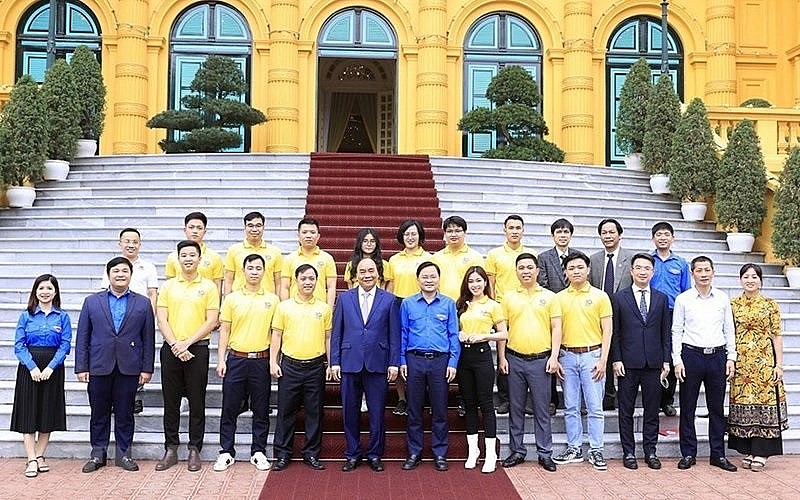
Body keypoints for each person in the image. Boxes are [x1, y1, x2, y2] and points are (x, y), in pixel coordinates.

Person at [75, 258, 156, 473]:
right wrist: (81, 367)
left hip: (129, 367)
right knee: (98, 412)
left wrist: (147, 368)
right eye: (116, 271)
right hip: (99, 365)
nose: (120, 274)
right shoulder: (92, 302)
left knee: (125, 412)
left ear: (131, 274)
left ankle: (124, 454)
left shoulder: (143, 303)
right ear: (108, 274)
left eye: (124, 271)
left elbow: (148, 338)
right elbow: (82, 336)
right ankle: (98, 454)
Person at [155, 240, 220, 472]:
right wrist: (175, 344)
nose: (188, 258)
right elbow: (161, 318)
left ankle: (194, 448)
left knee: (196, 400)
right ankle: (171, 447)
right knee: (170, 401)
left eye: (193, 255)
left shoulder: (210, 287)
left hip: (198, 349)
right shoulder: (169, 286)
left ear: (199, 258)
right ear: (178, 259)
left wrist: (187, 343)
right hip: (171, 349)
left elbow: (212, 320)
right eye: (184, 255)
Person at [331, 257, 401, 473]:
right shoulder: (344, 299)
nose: (367, 275)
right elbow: (337, 332)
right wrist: (334, 361)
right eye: (362, 271)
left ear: (378, 274)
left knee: (377, 412)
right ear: (355, 275)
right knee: (349, 411)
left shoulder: (389, 300)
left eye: (371, 271)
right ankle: (352, 453)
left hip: (378, 363)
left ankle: (374, 454)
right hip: (350, 362)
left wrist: (394, 363)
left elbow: (394, 334)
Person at [213, 254, 279, 472]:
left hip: (260, 360)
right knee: (229, 408)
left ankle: (258, 451)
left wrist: (273, 361)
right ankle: (226, 451)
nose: (254, 271)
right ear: (243, 270)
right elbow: (224, 331)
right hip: (236, 360)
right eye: (250, 268)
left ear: (264, 271)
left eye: (258, 268)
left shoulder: (272, 299)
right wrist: (221, 359)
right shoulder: (232, 299)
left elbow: (276, 333)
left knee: (261, 409)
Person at [672, 256, 737, 472]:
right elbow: (676, 330)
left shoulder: (722, 298)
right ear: (692, 274)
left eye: (707, 269)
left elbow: (729, 330)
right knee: (687, 407)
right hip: (691, 356)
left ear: (713, 272)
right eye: (699, 270)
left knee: (716, 408)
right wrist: (677, 359)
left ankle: (717, 454)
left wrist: (731, 357)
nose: (703, 273)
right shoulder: (683, 299)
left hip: (717, 356)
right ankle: (688, 453)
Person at [498, 254, 561, 473]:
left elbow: (556, 328)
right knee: (515, 408)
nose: (525, 271)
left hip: (541, 361)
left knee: (541, 409)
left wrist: (554, 356)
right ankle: (517, 451)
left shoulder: (550, 297)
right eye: (521, 268)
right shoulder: (508, 297)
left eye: (529, 267)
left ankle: (545, 453)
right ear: (516, 271)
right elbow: (502, 331)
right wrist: (502, 357)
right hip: (514, 358)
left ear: (537, 271)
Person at [553, 251, 612, 471]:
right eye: (571, 268)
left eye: (580, 267)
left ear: (588, 270)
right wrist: (557, 357)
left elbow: (607, 330)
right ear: (565, 272)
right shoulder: (558, 298)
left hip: (592, 356)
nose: (576, 271)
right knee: (570, 406)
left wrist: (604, 359)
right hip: (567, 357)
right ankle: (574, 448)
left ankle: (596, 449)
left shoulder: (600, 296)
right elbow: (556, 330)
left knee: (595, 407)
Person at [270, 264, 333, 472]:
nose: (308, 282)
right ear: (296, 280)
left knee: (315, 412)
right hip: (290, 366)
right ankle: (282, 454)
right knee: (286, 412)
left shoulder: (323, 308)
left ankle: (311, 454)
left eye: (312, 278)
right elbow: (276, 336)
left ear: (317, 281)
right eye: (304, 278)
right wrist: (273, 361)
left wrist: (330, 364)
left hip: (315, 367)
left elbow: (328, 338)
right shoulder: (284, 307)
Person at [610, 253, 671, 470]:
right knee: (625, 410)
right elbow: (615, 333)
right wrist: (616, 359)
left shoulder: (662, 298)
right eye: (639, 268)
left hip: (654, 364)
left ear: (652, 272)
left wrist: (666, 360)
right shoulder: (619, 298)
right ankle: (628, 452)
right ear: (631, 271)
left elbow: (666, 332)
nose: (643, 272)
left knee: (652, 410)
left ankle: (650, 451)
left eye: (647, 268)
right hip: (627, 363)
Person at [400, 261, 460, 472]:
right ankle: (414, 452)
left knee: (440, 409)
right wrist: (402, 360)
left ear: (438, 279)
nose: (429, 280)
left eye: (433, 276)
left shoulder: (448, 304)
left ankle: (440, 453)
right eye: (424, 276)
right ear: (418, 280)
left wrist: (453, 362)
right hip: (414, 359)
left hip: (440, 361)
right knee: (414, 409)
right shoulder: (407, 304)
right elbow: (403, 334)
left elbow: (454, 335)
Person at [727, 263, 788, 471]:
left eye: (754, 276)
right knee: (745, 404)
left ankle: (762, 452)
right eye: (746, 276)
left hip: (764, 363)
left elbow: (776, 335)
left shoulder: (770, 304)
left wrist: (779, 364)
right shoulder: (733, 304)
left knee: (764, 406)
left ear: (760, 280)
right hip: (741, 363)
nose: (750, 280)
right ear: (740, 279)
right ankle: (750, 450)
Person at [11, 274, 71, 478]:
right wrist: (32, 367)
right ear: (35, 291)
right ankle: (31, 459)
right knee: (29, 414)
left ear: (56, 292)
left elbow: (65, 345)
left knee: (47, 413)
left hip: (53, 368)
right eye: (41, 288)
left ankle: (39, 455)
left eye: (49, 288)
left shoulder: (62, 316)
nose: (45, 292)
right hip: (29, 369)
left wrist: (51, 367)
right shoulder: (26, 316)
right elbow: (19, 345)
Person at [455, 266, 508, 473]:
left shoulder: (493, 305)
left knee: (486, 404)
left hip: (482, 355)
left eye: (479, 281)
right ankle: (473, 451)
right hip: (464, 357)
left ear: (486, 282)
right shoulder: (461, 305)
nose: (475, 285)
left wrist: (485, 336)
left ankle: (491, 454)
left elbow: (504, 334)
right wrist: (459, 334)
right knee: (469, 404)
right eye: (471, 281)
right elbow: (455, 329)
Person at [100, 227, 158, 415]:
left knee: (135, 359)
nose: (131, 245)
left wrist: (151, 317)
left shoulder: (148, 267)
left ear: (140, 244)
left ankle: (134, 399)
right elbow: (103, 294)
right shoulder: (112, 266)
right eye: (127, 241)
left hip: (138, 319)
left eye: (135, 242)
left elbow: (153, 294)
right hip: (115, 322)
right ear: (120, 243)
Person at [485, 215, 534, 417]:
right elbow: (491, 283)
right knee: (503, 353)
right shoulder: (494, 254)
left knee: (525, 352)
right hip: (502, 308)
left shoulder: (530, 253)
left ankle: (525, 398)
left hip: (526, 307)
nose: (514, 231)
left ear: (523, 230)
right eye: (510, 228)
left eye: (518, 228)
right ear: (504, 230)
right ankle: (505, 398)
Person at [386, 219, 431, 416]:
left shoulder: (429, 258)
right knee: (399, 350)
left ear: (420, 235)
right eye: (406, 234)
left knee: (418, 349)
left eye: (414, 233)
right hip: (397, 304)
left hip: (420, 305)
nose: (410, 237)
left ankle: (422, 396)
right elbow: (389, 288)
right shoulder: (394, 260)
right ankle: (402, 398)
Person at [589, 218, 634, 411]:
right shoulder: (594, 259)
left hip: (624, 313)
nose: (607, 236)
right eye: (604, 233)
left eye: (611, 232)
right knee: (603, 352)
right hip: (599, 314)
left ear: (619, 235)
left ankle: (623, 395)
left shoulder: (630, 258)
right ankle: (607, 395)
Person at [537, 218, 580, 415]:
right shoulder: (544, 257)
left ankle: (578, 401)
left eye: (566, 232)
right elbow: (543, 285)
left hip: (575, 313)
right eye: (559, 232)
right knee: (552, 355)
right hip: (551, 313)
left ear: (571, 235)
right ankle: (552, 399)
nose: (562, 235)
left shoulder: (579, 258)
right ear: (552, 235)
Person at [649, 221, 691, 417]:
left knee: (672, 353)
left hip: (674, 312)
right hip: (650, 312)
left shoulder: (681, 263)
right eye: (658, 234)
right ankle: (653, 398)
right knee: (654, 353)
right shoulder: (647, 261)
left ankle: (667, 400)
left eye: (666, 234)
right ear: (653, 238)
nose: (662, 238)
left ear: (673, 238)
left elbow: (686, 292)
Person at [280, 217, 337, 308]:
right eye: (304, 232)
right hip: (294, 309)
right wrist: (285, 309)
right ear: (298, 236)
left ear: (318, 236)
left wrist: (329, 309)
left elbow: (331, 287)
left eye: (312, 232)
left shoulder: (327, 259)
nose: (308, 236)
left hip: (319, 310)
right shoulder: (289, 259)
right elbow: (285, 287)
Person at [223, 211, 283, 296]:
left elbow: (279, 283)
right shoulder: (233, 250)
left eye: (258, 226)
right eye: (250, 226)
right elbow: (228, 281)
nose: (254, 229)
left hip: (267, 302)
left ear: (263, 227)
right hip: (239, 301)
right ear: (245, 227)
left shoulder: (275, 252)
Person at [164, 212, 224, 292]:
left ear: (205, 231)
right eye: (191, 227)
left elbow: (217, 286)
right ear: (185, 230)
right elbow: (169, 287)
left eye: (199, 228)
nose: (195, 231)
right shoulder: (173, 257)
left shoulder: (215, 257)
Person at [431, 215, 484, 300]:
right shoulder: (436, 258)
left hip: (466, 304)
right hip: (441, 304)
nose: (453, 234)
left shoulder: (475, 257)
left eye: (458, 231)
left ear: (465, 232)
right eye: (449, 231)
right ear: (444, 233)